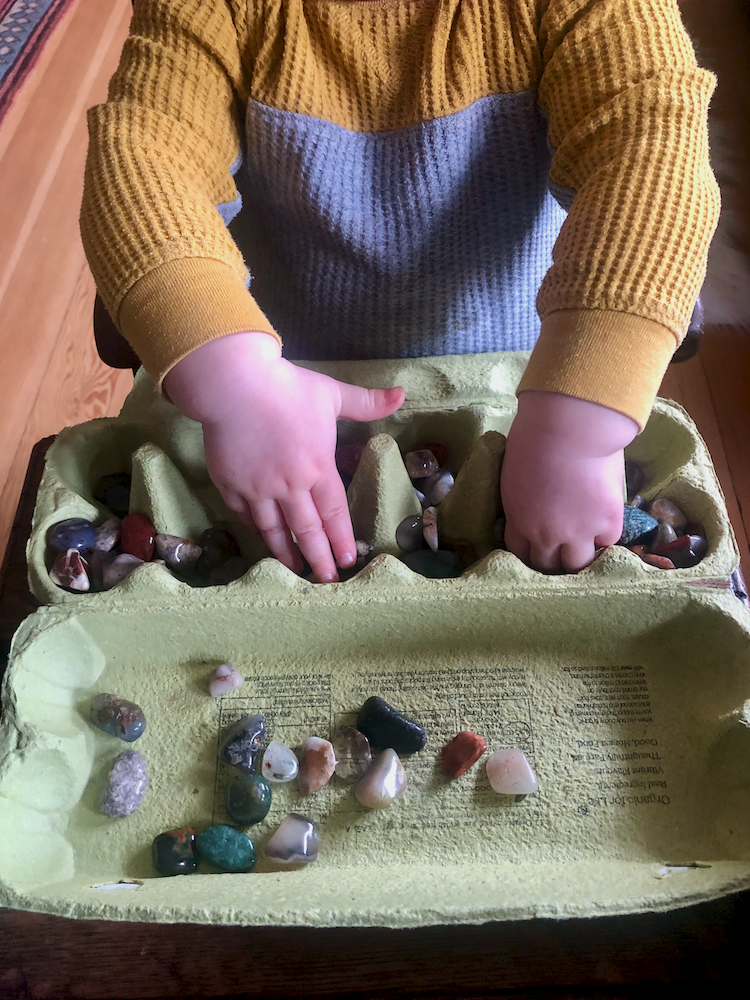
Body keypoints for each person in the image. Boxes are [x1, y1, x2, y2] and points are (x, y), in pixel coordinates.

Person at [80, 0, 720, 582]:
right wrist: (234, 380)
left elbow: (653, 151)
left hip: (521, 379)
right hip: (284, 386)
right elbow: (143, 157)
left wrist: (579, 430)